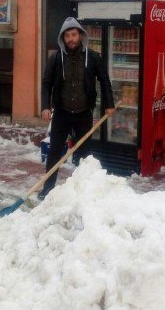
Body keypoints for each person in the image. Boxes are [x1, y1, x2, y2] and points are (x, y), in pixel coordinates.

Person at [40, 17, 115, 199]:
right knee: (55, 152)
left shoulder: (93, 57)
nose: (71, 39)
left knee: (84, 153)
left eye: (74, 35)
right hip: (62, 113)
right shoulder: (56, 58)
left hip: (83, 113)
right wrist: (45, 106)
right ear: (63, 38)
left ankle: (83, 191)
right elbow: (46, 83)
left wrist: (109, 104)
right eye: (67, 36)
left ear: (80, 35)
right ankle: (47, 189)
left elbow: (104, 80)